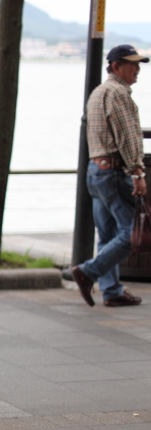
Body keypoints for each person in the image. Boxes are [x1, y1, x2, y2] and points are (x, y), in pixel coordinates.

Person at [71, 44, 148, 308]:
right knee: (131, 234)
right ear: (116, 66)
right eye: (132, 63)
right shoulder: (118, 93)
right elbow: (127, 138)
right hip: (114, 172)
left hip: (97, 171)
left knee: (107, 234)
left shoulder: (98, 93)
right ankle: (88, 271)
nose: (138, 69)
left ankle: (112, 291)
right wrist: (137, 172)